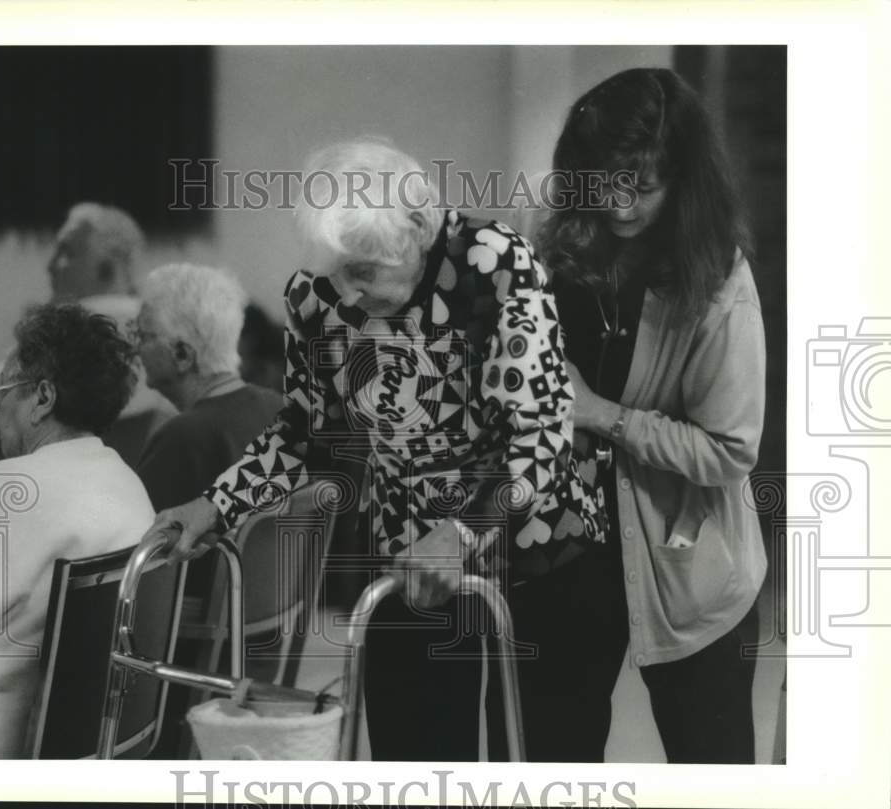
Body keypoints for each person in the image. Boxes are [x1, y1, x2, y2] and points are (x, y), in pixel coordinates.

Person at [146, 139, 607, 762]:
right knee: (413, 765)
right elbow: (311, 437)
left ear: (416, 226)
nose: (349, 295)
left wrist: (464, 532)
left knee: (539, 773)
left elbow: (540, 431)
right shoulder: (317, 297)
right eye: (336, 273)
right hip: (410, 559)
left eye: (362, 271)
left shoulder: (494, 262)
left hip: (536, 551)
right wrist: (216, 503)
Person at [535, 67, 767, 763]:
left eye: (641, 185)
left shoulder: (717, 276)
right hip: (564, 560)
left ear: (683, 180)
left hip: (692, 572)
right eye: (601, 180)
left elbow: (730, 450)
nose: (618, 203)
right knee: (554, 763)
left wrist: (603, 414)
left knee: (712, 771)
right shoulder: (557, 252)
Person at [0, 303, 154, 759]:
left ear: (43, 398)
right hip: (89, 746)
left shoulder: (0, 489)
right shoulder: (130, 485)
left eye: (0, 391)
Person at [0, 203, 175, 475]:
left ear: (107, 268)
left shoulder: (66, 333)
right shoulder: (165, 336)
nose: (51, 265)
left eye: (67, 252)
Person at [133, 263, 284, 512]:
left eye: (145, 337)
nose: (137, 348)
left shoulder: (180, 439)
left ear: (182, 355)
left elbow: (138, 542)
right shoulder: (280, 408)